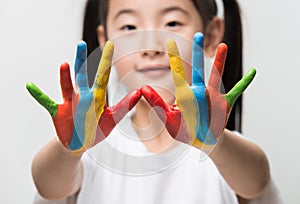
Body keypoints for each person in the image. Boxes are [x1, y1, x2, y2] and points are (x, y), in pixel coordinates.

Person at [28, 0, 283, 203]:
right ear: (105, 41)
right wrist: (68, 150)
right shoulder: (92, 152)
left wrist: (215, 144)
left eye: (172, 22)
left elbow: (256, 181)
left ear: (212, 33)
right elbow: (50, 186)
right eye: (129, 27)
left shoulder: (227, 154)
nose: (150, 45)